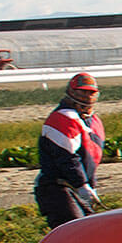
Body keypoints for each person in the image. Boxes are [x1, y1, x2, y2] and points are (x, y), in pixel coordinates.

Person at [35, 72, 104, 228]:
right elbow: (66, 157)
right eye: (82, 92)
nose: (87, 96)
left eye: (91, 92)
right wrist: (82, 185)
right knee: (75, 230)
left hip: (77, 187)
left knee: (91, 230)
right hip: (57, 189)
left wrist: (89, 186)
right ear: (71, 92)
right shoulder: (62, 118)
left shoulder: (93, 121)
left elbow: (89, 160)